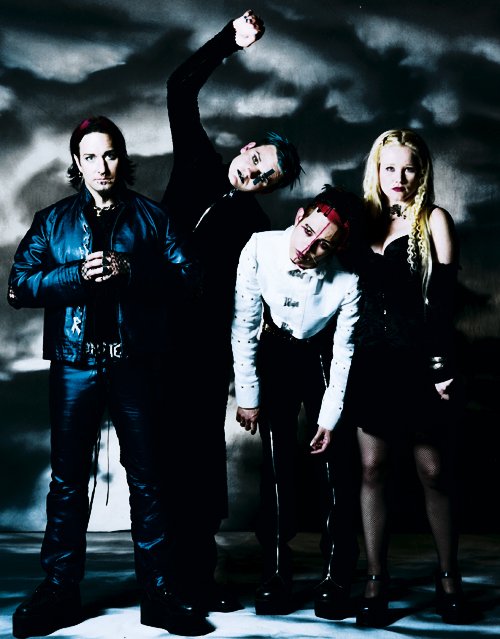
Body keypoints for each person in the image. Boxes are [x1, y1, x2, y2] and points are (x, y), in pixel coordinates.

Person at [7, 116, 206, 638]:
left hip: (136, 363)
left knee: (149, 478)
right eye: (91, 156)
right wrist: (74, 275)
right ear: (77, 162)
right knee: (68, 481)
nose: (102, 166)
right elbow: (19, 286)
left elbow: (191, 279)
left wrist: (131, 270)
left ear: (123, 158)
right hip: (75, 363)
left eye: (110, 154)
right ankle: (59, 590)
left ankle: (159, 593)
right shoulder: (52, 220)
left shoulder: (153, 218)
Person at [160, 8, 303, 612]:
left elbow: (263, 292)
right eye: (258, 161)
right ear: (247, 149)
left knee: (199, 457)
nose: (255, 174)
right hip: (151, 332)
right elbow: (179, 88)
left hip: (203, 348)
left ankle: (198, 573)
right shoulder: (197, 159)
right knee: (155, 451)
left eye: (267, 178)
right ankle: (158, 576)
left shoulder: (256, 224)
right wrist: (229, 42)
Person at [346, 129, 471, 627]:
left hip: (420, 362)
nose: (398, 177)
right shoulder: (359, 220)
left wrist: (441, 365)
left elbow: (443, 301)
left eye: (409, 168)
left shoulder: (433, 219)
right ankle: (376, 580)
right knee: (372, 469)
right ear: (376, 171)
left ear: (422, 172)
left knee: (433, 472)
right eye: (389, 167)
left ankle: (449, 577)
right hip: (368, 361)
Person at [231, 185, 362, 618]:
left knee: (335, 466)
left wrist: (330, 417)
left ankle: (337, 573)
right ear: (299, 216)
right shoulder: (259, 247)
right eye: (307, 232)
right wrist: (248, 394)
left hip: (322, 355)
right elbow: (245, 323)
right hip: (276, 350)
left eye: (323, 245)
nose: (307, 249)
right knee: (276, 463)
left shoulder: (348, 279)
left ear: (337, 248)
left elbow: (345, 353)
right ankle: (274, 572)